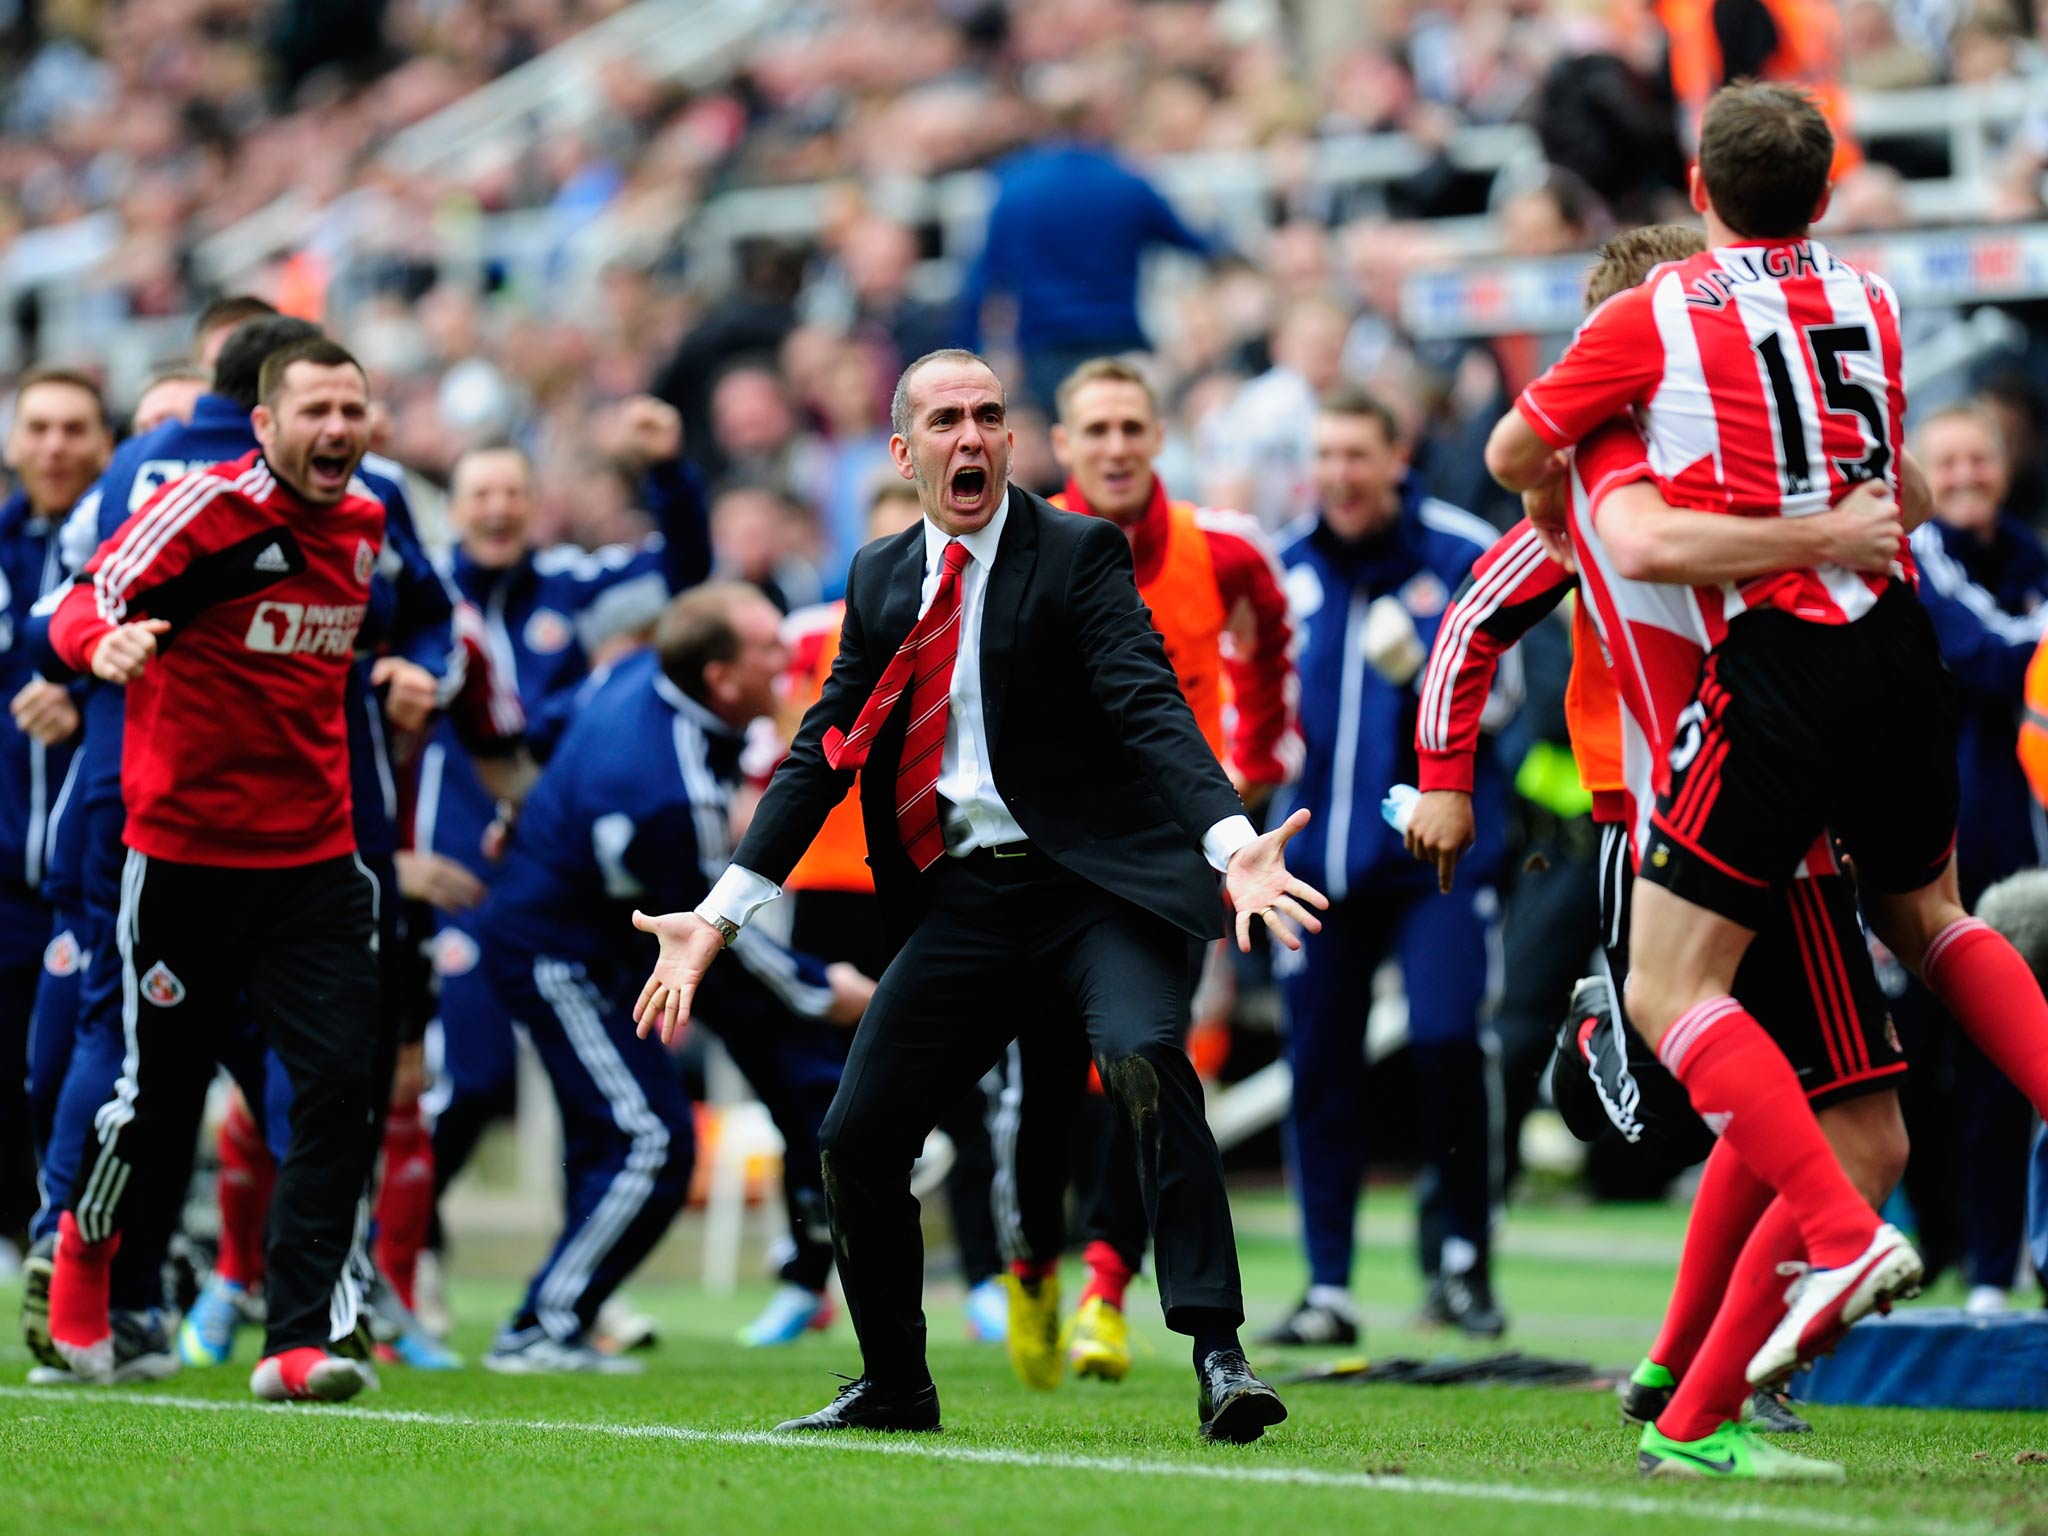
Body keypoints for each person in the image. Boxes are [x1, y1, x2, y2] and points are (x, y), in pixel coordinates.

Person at [632, 348, 1322, 1442]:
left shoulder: (1079, 553)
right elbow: (822, 750)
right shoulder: (877, 577)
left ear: (1010, 441)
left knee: (1147, 1061)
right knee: (856, 1136)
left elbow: (1148, 704)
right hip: (967, 901)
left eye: (988, 416)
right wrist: (719, 913)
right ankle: (896, 1385)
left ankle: (1219, 1355)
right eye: (945, 420)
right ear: (903, 452)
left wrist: (1230, 836)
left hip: (1100, 884)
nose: (970, 437)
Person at [1483, 81, 2048, 1402]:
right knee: (1935, 923)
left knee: (1680, 1003)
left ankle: (1813, 1277)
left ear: (1697, 188)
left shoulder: (1649, 332)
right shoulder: (1878, 297)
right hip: (1893, 636)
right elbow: (1896, 488)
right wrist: (1837, 520)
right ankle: (1689, 1383)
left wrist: (1558, 486)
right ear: (1828, 190)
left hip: (1763, 695)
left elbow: (1585, 500)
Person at [1421, 222, 1916, 1480]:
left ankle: (1684, 1373)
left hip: (1728, 809)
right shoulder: (1629, 491)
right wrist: (1439, 781)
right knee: (1824, 1128)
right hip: (1690, 817)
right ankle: (1724, 1377)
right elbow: (1510, 590)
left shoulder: (1677, 474)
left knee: (1782, 1118)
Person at [39, 336, 387, 1404]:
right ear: (267, 426)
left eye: (352, 410)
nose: (337, 430)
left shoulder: (366, 525)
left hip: (317, 859)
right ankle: (83, 1265)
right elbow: (78, 604)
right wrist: (102, 647)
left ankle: (294, 1340)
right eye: (315, 411)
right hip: (182, 858)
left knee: (337, 1086)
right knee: (151, 1096)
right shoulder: (204, 510)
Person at [476, 582, 872, 1372]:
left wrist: (524, 815)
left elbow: (550, 729)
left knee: (648, 1127)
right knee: (649, 1139)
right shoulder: (670, 789)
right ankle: (542, 1327)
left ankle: (800, 1255)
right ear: (720, 678)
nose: (788, 659)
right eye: (767, 649)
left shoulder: (638, 675)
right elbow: (715, 932)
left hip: (611, 939)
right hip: (559, 951)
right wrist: (828, 990)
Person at [995, 355, 1295, 1389]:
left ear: (1157, 436)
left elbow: (1271, 653)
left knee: (1145, 1064)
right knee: (1043, 1098)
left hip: (1171, 857)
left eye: (1132, 427)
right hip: (1042, 860)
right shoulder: (1013, 549)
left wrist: (1251, 773)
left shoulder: (1224, 551)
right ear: (1063, 447)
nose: (1116, 447)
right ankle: (1032, 1256)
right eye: (1096, 431)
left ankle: (1106, 1287)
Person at [415, 413, 709, 1274]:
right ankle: (404, 1247)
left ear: (535, 504)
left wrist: (668, 474)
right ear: (457, 509)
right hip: (457, 875)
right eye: (482, 494)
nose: (499, 508)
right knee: (466, 1080)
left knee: (593, 1099)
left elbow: (686, 577)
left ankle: (586, 1277)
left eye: (514, 492)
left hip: (565, 886)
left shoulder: (576, 585)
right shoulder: (421, 596)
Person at [1261, 383, 1512, 1345]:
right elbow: (1256, 716)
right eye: (1325, 457)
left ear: (1396, 458)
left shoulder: (1459, 554)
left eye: (1356, 456)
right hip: (1314, 865)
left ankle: (1461, 1262)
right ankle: (1328, 1285)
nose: (1338, 476)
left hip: (1437, 862)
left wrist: (1425, 682)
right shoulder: (1284, 567)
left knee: (1450, 1042)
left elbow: (1512, 699)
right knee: (1319, 1063)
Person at [768, 479, 1011, 1350]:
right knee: (821, 1092)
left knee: (965, 1087)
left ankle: (989, 1275)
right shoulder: (801, 636)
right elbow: (784, 749)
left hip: (926, 877)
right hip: (830, 886)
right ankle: (808, 1278)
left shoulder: (978, 616)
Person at [3, 370, 111, 1237]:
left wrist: (83, 695)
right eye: (37, 428)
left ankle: (112, 1244)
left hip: (92, 876)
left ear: (104, 444)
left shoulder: (130, 550)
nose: (54, 446)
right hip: (5, 879)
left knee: (86, 1069)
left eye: (73, 428)